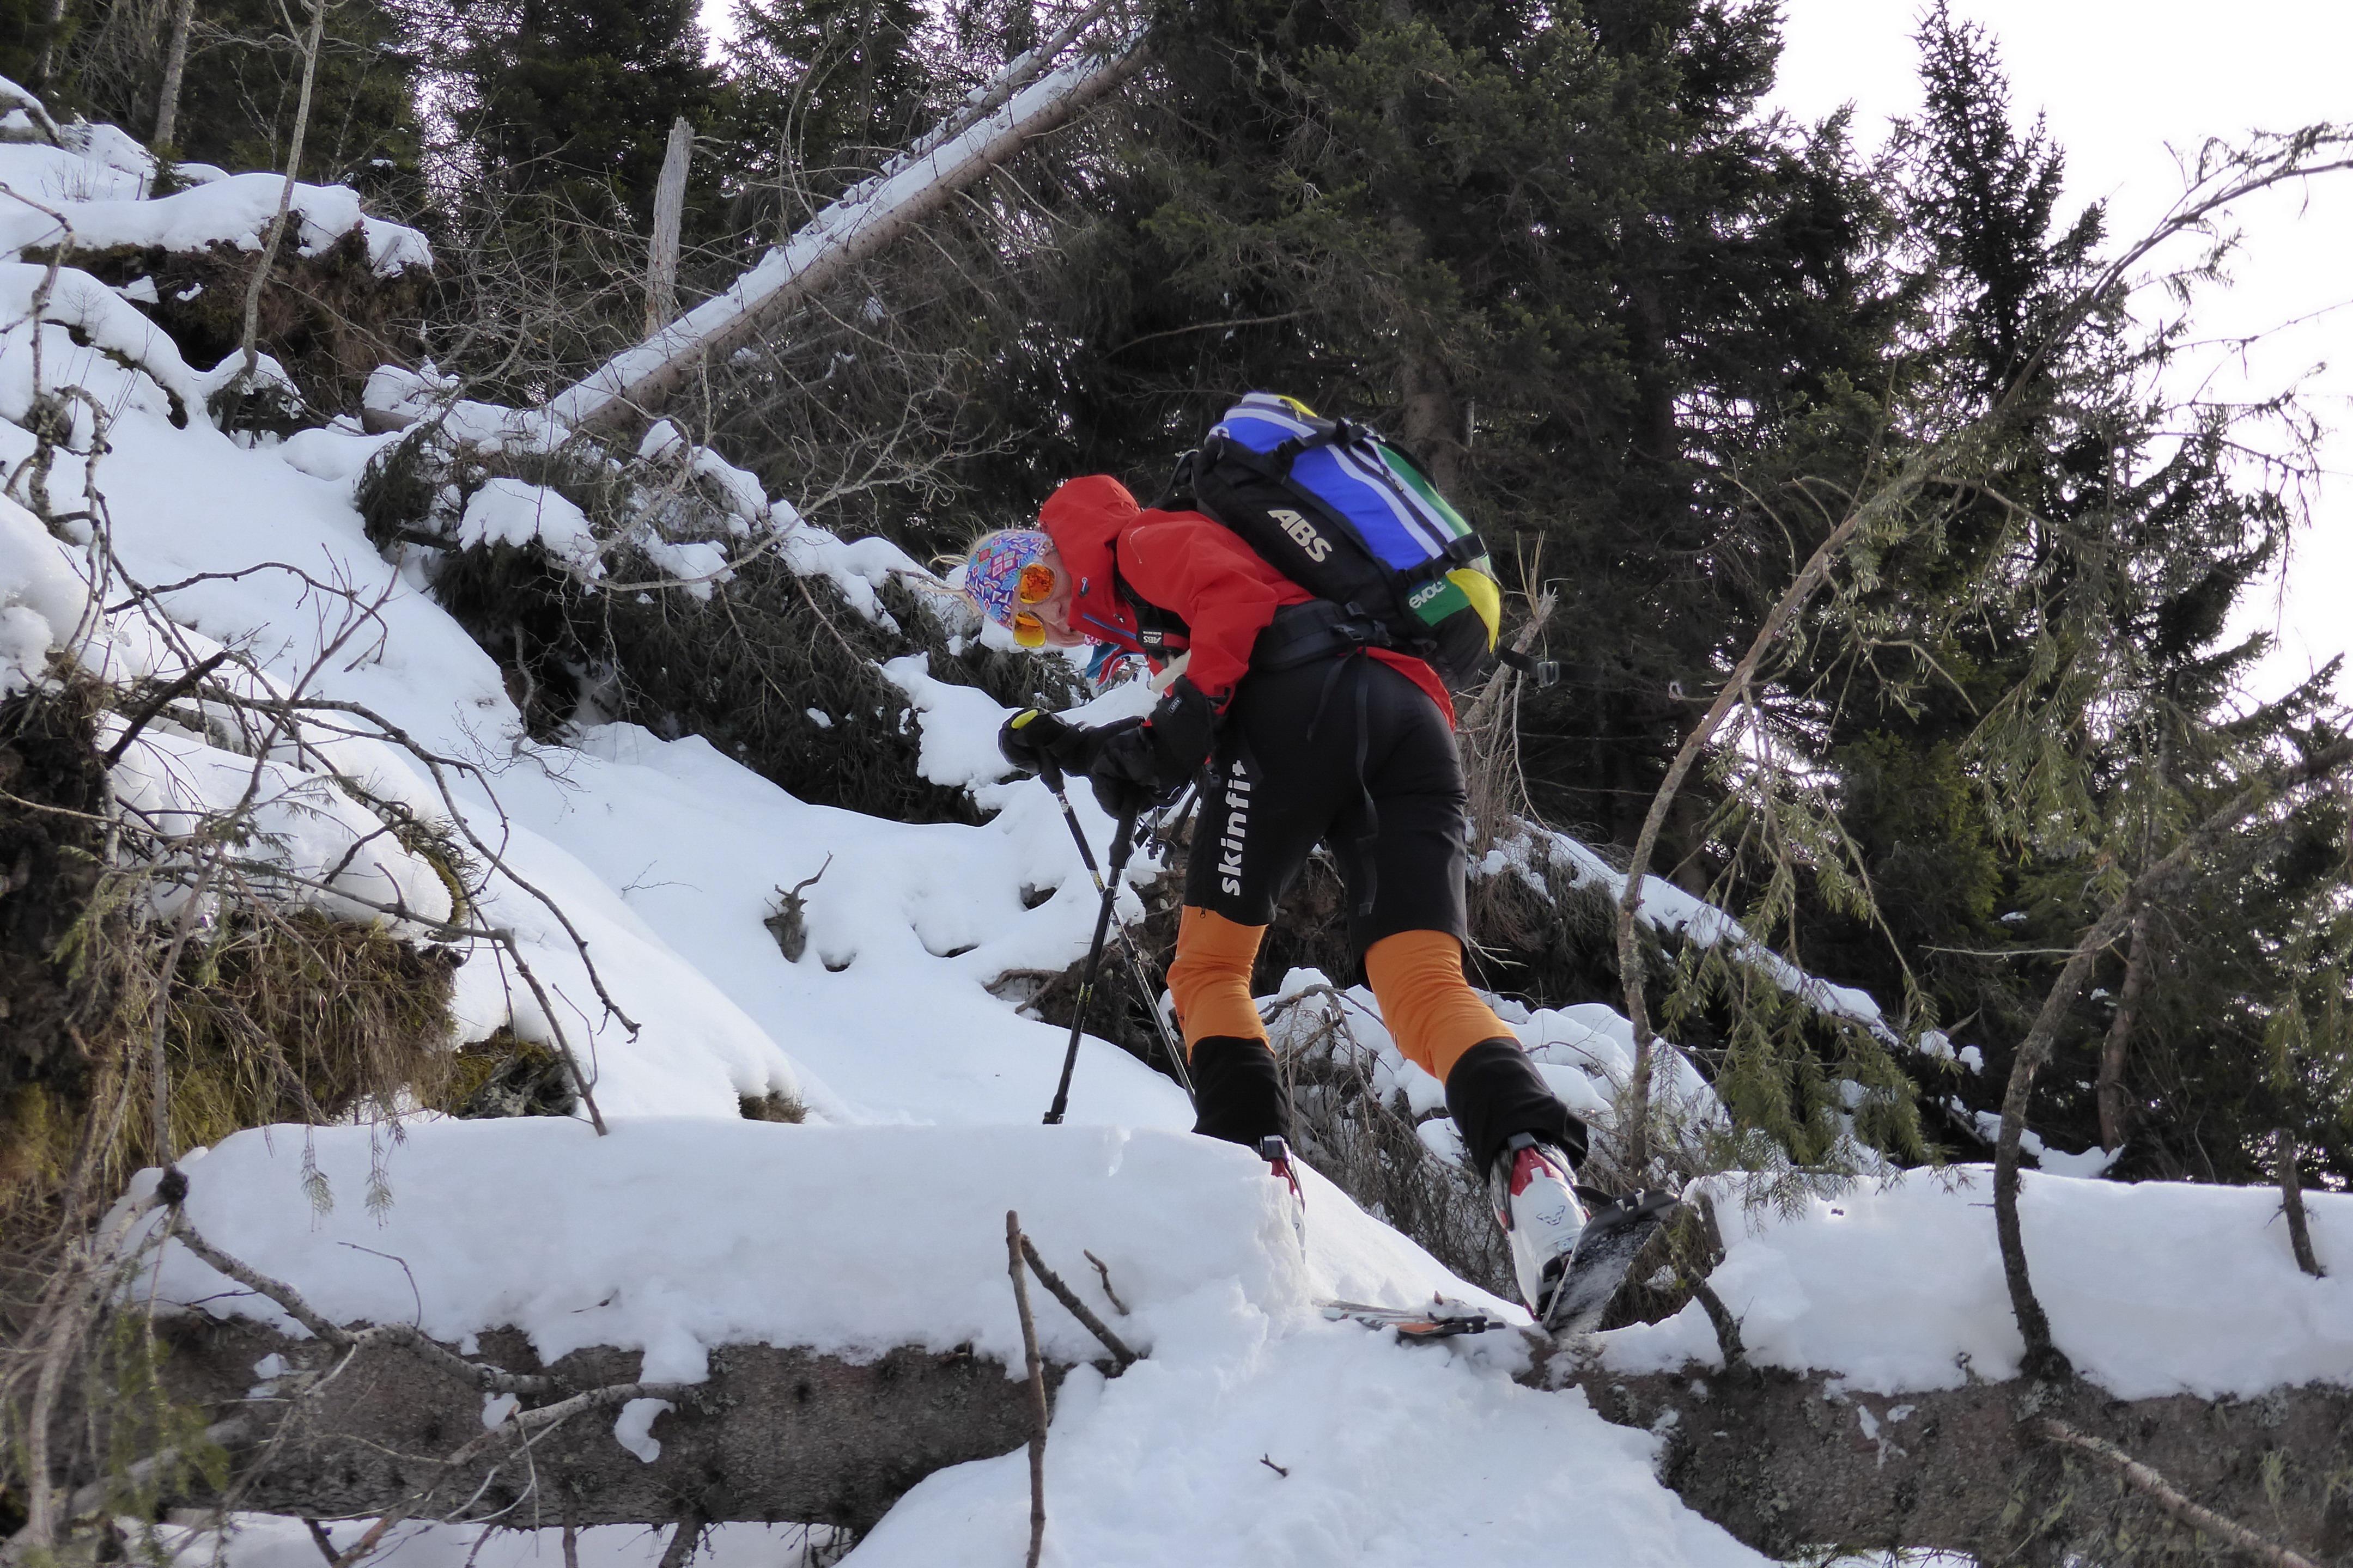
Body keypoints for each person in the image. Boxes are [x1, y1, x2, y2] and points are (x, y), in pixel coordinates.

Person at [964, 474, 1618, 1328]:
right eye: (1018, 623)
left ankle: (1251, 1206)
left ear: (1055, 553)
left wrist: (1183, 724)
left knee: (1207, 972)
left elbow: (1235, 616)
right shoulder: (1154, 610)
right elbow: (1211, 686)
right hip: (1409, 718)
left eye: (1035, 583)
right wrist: (1087, 749)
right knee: (1422, 988)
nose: (1043, 617)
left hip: (1300, 711)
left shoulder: (1137, 544)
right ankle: (1542, 1187)